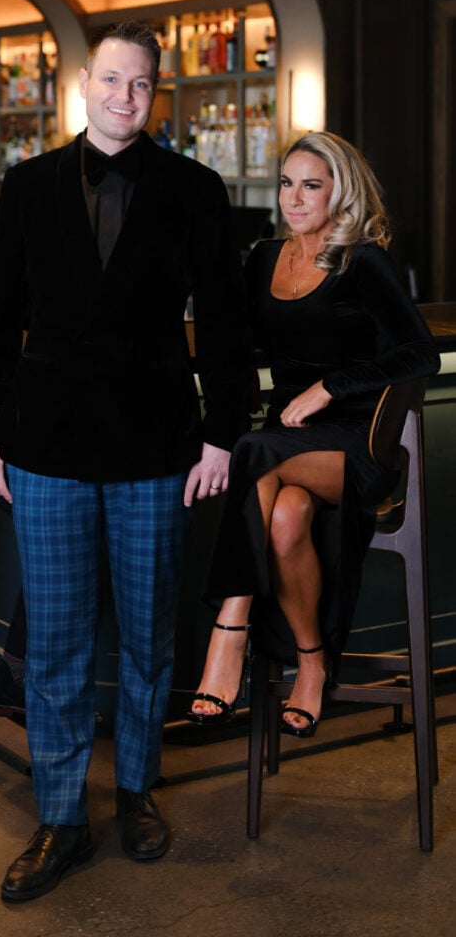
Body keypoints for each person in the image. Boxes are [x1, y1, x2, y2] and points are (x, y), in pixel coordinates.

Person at [0, 20, 251, 902]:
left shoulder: (196, 188)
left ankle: (135, 792)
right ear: (84, 84)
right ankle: (60, 818)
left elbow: (228, 320)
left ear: (154, 92)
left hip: (156, 445)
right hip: (44, 445)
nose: (125, 97)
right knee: (53, 643)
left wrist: (220, 433)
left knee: (146, 635)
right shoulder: (25, 183)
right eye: (112, 81)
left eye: (141, 85)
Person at [187, 131, 440, 739]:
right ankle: (311, 662)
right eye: (285, 183)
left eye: (311, 185)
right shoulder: (264, 257)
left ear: (340, 191)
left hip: (356, 444)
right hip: (283, 448)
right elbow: (230, 335)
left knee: (251, 451)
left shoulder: (362, 262)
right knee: (283, 520)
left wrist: (331, 387)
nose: (293, 199)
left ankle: (231, 627)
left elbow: (420, 355)